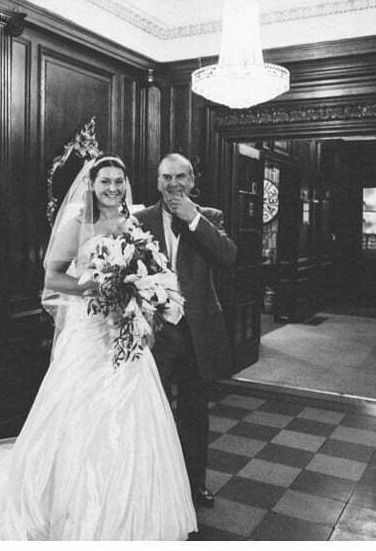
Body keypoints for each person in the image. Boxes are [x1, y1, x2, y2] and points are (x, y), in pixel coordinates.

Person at [0, 154, 196, 540]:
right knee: (81, 415)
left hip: (124, 334)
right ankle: (72, 503)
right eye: (105, 181)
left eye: (118, 181)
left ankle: (131, 505)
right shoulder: (78, 224)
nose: (113, 188)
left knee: (134, 413)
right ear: (92, 185)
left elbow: (144, 274)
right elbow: (52, 278)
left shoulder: (132, 223)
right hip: (89, 332)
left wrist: (139, 296)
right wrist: (98, 287)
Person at [133, 153, 238, 509]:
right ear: (158, 181)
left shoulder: (210, 217)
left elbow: (228, 256)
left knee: (194, 411)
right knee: (155, 411)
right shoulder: (140, 220)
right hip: (157, 332)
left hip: (197, 332)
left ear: (192, 181)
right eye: (166, 177)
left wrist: (193, 218)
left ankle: (194, 484)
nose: (173, 184)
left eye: (181, 176)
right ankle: (158, 487)